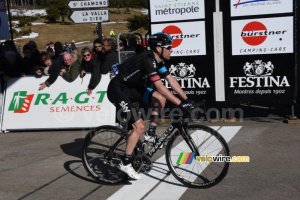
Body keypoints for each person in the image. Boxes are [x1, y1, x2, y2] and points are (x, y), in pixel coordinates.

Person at [106, 32, 194, 179]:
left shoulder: (157, 61)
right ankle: (125, 163)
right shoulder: (148, 60)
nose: (171, 49)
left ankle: (151, 133)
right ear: (158, 48)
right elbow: (160, 86)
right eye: (168, 47)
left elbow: (170, 80)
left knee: (160, 99)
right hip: (118, 89)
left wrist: (186, 99)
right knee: (139, 126)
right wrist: (179, 103)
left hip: (132, 88)